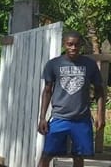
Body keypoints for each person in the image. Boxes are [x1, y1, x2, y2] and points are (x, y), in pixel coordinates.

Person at [38, 31, 106, 167]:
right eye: (70, 44)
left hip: (82, 119)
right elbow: (47, 91)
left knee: (79, 156)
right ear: (64, 44)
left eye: (76, 45)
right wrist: (42, 118)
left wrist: (100, 115)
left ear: (81, 45)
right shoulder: (53, 64)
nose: (73, 48)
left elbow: (99, 91)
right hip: (59, 118)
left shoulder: (90, 65)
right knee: (47, 155)